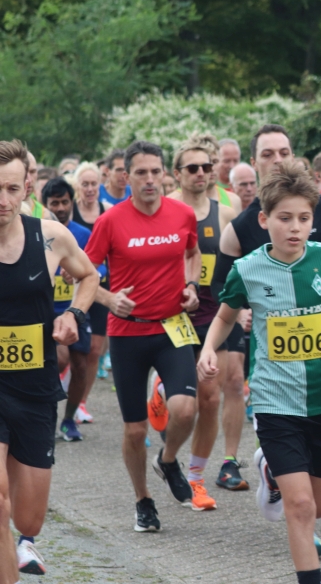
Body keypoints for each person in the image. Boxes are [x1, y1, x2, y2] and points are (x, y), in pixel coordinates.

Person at [197, 159, 321, 584]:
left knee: (320, 504)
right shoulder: (248, 268)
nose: (295, 228)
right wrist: (208, 349)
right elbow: (224, 315)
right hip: (273, 399)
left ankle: (270, 470)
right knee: (301, 506)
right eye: (285, 218)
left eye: (304, 219)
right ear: (264, 220)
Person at [85, 140, 202, 532]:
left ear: (165, 174)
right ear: (126, 177)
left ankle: (167, 460)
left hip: (171, 327)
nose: (149, 179)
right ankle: (143, 500)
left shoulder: (182, 213)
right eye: (141, 173)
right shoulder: (110, 221)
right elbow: (84, 273)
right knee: (135, 430)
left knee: (186, 409)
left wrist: (191, 286)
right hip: (127, 333)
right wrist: (108, 298)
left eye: (155, 172)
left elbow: (193, 253)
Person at [0, 139, 99, 577]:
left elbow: (89, 276)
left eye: (11, 189)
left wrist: (74, 314)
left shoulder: (50, 236)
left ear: (27, 188)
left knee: (28, 519)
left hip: (35, 386)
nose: (2, 200)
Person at [156, 136, 240, 510]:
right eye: (193, 168)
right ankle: (162, 389)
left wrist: (242, 302)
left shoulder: (226, 212)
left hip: (214, 316)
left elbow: (237, 263)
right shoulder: (165, 210)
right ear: (177, 174)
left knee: (211, 397)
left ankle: (195, 478)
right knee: (184, 400)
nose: (201, 173)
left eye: (207, 167)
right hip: (173, 316)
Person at [41, 177, 103, 443]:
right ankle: (47, 414)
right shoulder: (40, 232)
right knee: (60, 359)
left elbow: (98, 267)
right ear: (46, 205)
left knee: (79, 365)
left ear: (72, 202)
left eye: (65, 202)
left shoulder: (82, 234)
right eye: (55, 203)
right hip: (46, 311)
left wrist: (78, 274)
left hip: (77, 307)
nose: (61, 208)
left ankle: (68, 420)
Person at [71, 161, 114, 422]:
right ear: (77, 186)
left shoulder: (108, 211)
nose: (89, 189)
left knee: (95, 348)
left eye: (94, 184)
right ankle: (69, 388)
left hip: (102, 285)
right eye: (85, 184)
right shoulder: (70, 211)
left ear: (100, 185)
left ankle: (82, 402)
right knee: (74, 347)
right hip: (73, 286)